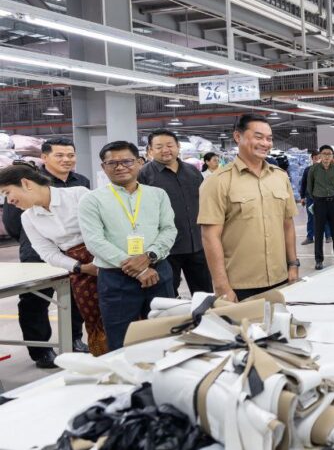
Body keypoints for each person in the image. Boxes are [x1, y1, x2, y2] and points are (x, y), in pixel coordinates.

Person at [78, 141, 177, 351]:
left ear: (140, 162)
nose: (120, 167)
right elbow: (94, 241)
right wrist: (139, 269)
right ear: (103, 167)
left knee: (165, 335)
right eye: (112, 163)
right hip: (116, 278)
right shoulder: (92, 200)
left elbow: (169, 230)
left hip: (158, 272)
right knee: (120, 339)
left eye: (127, 161)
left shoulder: (158, 195)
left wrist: (149, 256)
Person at [0, 165, 107, 358]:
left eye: (7, 193)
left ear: (26, 183)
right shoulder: (28, 218)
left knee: (119, 312)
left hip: (108, 259)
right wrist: (81, 268)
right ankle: (106, 361)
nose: (9, 201)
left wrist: (104, 261)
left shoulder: (78, 195)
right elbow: (47, 252)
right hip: (80, 269)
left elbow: (108, 227)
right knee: (93, 319)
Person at [199, 114, 300, 301]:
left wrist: (293, 265)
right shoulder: (218, 182)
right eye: (258, 137)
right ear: (238, 137)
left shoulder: (280, 177)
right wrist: (222, 286)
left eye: (269, 138)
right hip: (239, 285)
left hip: (281, 278)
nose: (265, 143)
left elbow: (287, 225)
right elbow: (210, 237)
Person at [139, 129, 213, 295]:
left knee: (204, 294)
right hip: (165, 249)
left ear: (178, 146)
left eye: (169, 145)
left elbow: (203, 201)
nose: (165, 150)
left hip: (196, 244)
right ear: (150, 150)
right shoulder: (144, 175)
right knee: (167, 295)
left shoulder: (192, 171)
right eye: (159, 147)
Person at [308, 145, 334, 269]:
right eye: (324, 154)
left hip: (333, 202)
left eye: (329, 154)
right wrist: (317, 198)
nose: (327, 156)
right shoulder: (314, 169)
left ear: (332, 156)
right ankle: (319, 260)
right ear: (320, 155)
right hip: (319, 202)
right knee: (318, 232)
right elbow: (310, 186)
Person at [300, 150, 332, 247]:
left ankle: (328, 236)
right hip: (310, 198)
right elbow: (303, 184)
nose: (317, 160)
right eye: (315, 158)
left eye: (319, 158)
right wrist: (302, 197)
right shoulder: (307, 170)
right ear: (312, 159)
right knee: (311, 217)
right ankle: (310, 237)